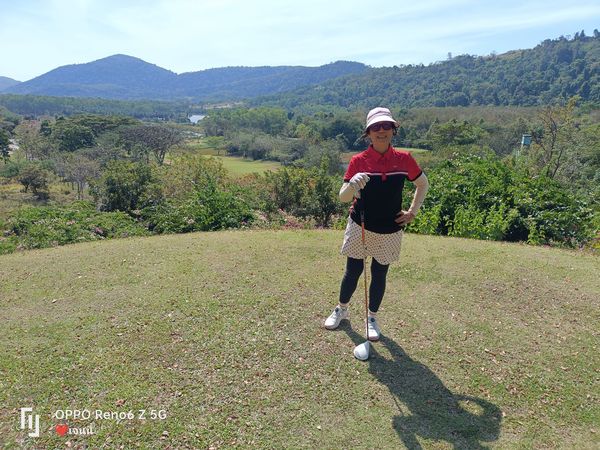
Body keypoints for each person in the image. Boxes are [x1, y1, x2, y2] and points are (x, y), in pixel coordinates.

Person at [324, 107, 429, 340]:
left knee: (379, 274)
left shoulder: (404, 159)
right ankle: (341, 309)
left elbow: (423, 184)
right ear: (368, 133)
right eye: (376, 127)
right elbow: (343, 197)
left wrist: (412, 212)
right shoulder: (358, 161)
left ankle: (371, 318)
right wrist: (352, 184)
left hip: (390, 229)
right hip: (359, 225)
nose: (381, 131)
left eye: (386, 126)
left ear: (393, 130)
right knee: (353, 271)